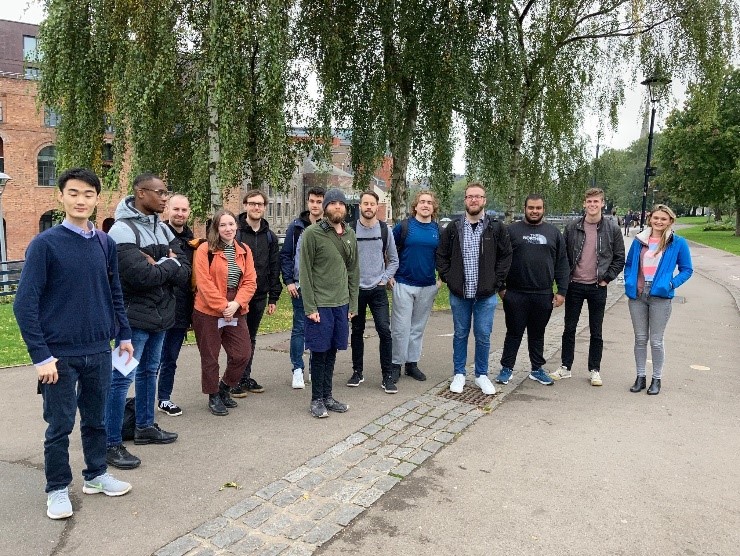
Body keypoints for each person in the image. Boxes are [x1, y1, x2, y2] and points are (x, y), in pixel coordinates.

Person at [14, 167, 134, 520]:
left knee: (96, 420)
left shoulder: (105, 243)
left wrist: (123, 335)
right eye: (74, 193)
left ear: (97, 199)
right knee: (60, 425)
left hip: (99, 349)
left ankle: (96, 475)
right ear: (61, 196)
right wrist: (41, 357)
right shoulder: (45, 245)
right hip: (59, 356)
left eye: (88, 195)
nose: (81, 200)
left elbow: (114, 293)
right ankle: (56, 488)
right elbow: (24, 304)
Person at [106, 173, 190, 470]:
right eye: (161, 192)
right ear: (141, 193)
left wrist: (162, 263)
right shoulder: (121, 230)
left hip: (161, 316)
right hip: (132, 321)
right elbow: (139, 277)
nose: (166, 198)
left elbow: (184, 272)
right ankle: (110, 442)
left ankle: (144, 427)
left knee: (149, 372)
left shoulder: (162, 228)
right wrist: (168, 263)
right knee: (120, 379)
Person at [436, 182, 512, 395]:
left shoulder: (495, 227)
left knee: (483, 335)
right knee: (460, 333)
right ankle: (459, 373)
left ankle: (481, 375)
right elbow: (441, 255)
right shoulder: (453, 227)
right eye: (470, 196)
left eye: (478, 196)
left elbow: (506, 257)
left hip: (486, 294)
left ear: (484, 200)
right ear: (465, 200)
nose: (474, 200)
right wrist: (448, 278)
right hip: (460, 292)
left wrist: (495, 283)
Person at [550, 188, 625, 386]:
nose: (592, 205)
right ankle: (566, 366)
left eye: (596, 201)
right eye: (589, 201)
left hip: (597, 286)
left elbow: (619, 258)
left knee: (596, 330)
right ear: (584, 204)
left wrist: (606, 279)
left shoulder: (612, 229)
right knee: (569, 328)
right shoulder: (573, 227)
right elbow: (563, 256)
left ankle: (594, 369)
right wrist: (563, 283)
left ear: (602, 203)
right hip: (575, 285)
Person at [495, 194, 569, 387]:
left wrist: (561, 291)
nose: (534, 211)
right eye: (531, 208)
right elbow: (499, 260)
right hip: (515, 293)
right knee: (514, 332)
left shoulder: (554, 233)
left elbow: (562, 263)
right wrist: (501, 288)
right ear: (525, 208)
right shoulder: (511, 231)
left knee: (538, 333)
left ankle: (537, 369)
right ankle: (506, 368)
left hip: (543, 293)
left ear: (544, 209)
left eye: (538, 208)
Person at [299, 188, 359, 418]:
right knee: (319, 351)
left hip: (341, 303)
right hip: (320, 304)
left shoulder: (350, 235)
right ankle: (316, 399)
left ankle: (328, 396)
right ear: (325, 208)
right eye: (332, 203)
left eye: (341, 204)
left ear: (345, 208)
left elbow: (354, 270)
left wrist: (352, 303)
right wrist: (310, 307)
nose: (337, 207)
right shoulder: (312, 234)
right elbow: (305, 272)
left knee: (333, 350)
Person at [192, 210, 258, 415]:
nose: (228, 229)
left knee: (242, 353)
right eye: (223, 225)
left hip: (236, 308)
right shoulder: (205, 250)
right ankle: (213, 396)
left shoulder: (244, 250)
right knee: (210, 356)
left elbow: (250, 281)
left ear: (236, 226)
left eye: (231, 224)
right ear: (216, 228)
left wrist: (236, 304)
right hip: (207, 310)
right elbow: (204, 283)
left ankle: (225, 388)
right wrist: (223, 306)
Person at [624, 204, 692, 395]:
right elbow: (629, 264)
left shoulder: (677, 242)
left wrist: (671, 284)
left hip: (660, 296)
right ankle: (640, 377)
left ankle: (657, 379)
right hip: (638, 294)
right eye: (656, 218)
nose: (659, 222)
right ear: (650, 219)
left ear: (670, 221)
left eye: (663, 219)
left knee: (656, 340)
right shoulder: (639, 240)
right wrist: (629, 281)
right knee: (640, 338)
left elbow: (687, 269)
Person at [230, 190, 282, 397]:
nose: (256, 207)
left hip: (259, 295)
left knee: (250, 338)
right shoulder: (236, 232)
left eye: (260, 204)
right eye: (252, 203)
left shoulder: (269, 236)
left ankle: (244, 377)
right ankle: (231, 379)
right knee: (236, 339)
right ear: (245, 205)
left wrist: (274, 296)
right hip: (236, 297)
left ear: (264, 207)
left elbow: (273, 266)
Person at [348, 190, 399, 393]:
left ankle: (387, 375)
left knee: (384, 331)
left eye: (372, 204)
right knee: (357, 332)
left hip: (377, 290)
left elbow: (394, 260)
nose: (368, 207)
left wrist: (385, 279)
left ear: (377, 207)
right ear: (360, 206)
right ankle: (357, 372)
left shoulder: (385, 230)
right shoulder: (350, 230)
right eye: (365, 204)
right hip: (356, 290)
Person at [390, 191, 442, 383]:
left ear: (433, 207)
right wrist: (390, 276)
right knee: (400, 327)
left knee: (417, 328)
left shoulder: (438, 230)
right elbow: (389, 249)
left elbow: (443, 257)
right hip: (403, 283)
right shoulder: (404, 227)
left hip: (427, 286)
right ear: (415, 206)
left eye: (429, 202)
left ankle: (412, 364)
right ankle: (396, 364)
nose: (425, 205)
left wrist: (441, 280)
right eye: (422, 202)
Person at [280, 186, 325, 389]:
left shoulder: (329, 227)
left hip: (322, 287)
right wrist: (288, 281)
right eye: (312, 201)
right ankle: (297, 369)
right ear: (307, 203)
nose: (315, 205)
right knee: (299, 327)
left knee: (319, 328)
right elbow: (286, 255)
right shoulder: (296, 227)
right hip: (299, 285)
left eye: (319, 201)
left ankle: (315, 369)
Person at [157, 194, 196, 416]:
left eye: (184, 210)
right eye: (176, 209)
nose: (180, 214)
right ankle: (139, 401)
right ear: (167, 210)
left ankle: (164, 398)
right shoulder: (158, 236)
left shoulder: (192, 242)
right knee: (150, 361)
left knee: (170, 358)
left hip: (181, 310)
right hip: (158, 308)